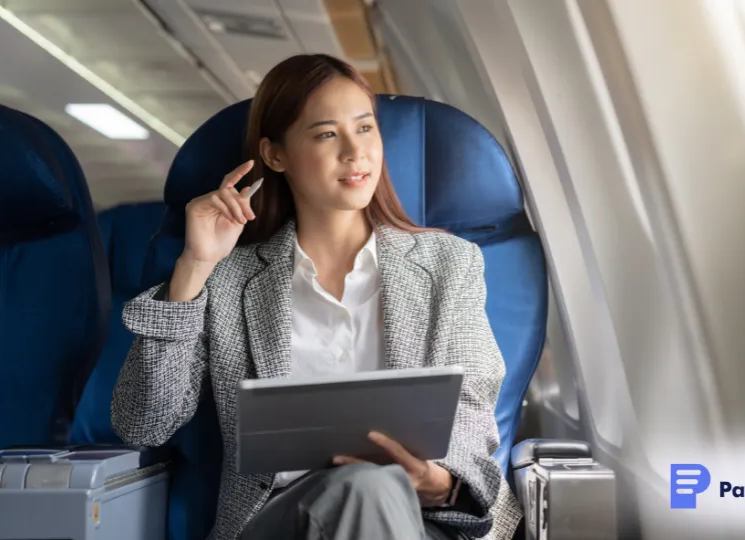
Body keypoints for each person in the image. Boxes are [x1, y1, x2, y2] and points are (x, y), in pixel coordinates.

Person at [110, 54, 521, 540]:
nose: (355, 152)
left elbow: (472, 406)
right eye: (327, 134)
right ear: (276, 154)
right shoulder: (228, 279)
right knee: (361, 489)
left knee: (372, 489)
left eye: (365, 129)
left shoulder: (448, 265)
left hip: (417, 518)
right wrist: (196, 265)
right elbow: (144, 423)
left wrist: (442, 483)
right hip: (281, 522)